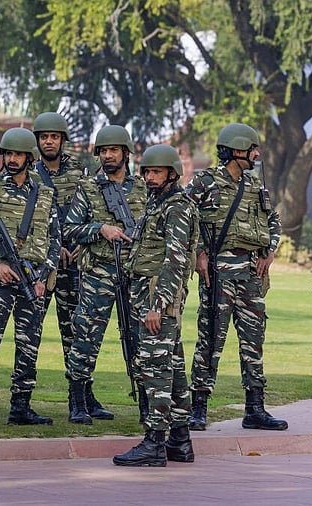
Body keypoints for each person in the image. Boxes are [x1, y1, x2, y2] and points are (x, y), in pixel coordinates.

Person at [185, 122, 288, 432]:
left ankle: (255, 408)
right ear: (235, 150)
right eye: (252, 149)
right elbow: (185, 218)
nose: (257, 154)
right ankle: (198, 407)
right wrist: (199, 253)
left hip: (250, 275)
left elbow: (274, 223)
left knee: (253, 341)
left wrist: (269, 251)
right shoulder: (204, 183)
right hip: (218, 273)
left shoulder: (256, 186)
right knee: (211, 339)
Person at [0, 127, 61, 429]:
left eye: (19, 154)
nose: (13, 159)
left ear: (30, 158)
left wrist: (44, 276)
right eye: (9, 154)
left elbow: (54, 241)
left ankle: (21, 406)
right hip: (0, 279)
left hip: (33, 281)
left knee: (29, 344)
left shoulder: (45, 195)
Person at [113, 144, 198, 467]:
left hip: (156, 298)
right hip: (146, 294)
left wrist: (158, 306)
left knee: (155, 369)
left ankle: (154, 443)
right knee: (173, 368)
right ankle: (180, 440)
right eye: (146, 172)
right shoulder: (157, 203)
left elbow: (175, 261)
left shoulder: (176, 207)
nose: (149, 177)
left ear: (172, 174)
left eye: (156, 172)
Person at [64, 125, 146, 425]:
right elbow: (69, 229)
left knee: (138, 336)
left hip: (135, 273)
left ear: (126, 153)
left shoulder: (141, 188)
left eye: (113, 150)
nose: (108, 156)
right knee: (86, 336)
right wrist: (100, 228)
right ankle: (79, 399)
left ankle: (146, 400)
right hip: (99, 271)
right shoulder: (88, 188)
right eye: (103, 151)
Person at [30, 112, 97, 417]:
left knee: (77, 333)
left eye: (54, 137)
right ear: (38, 140)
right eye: (44, 137)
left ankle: (81, 398)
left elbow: (92, 215)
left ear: (62, 140)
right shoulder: (29, 174)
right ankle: (22, 401)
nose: (49, 141)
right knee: (30, 330)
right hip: (41, 266)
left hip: (74, 264)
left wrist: (78, 244)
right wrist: (51, 250)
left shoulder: (81, 175)